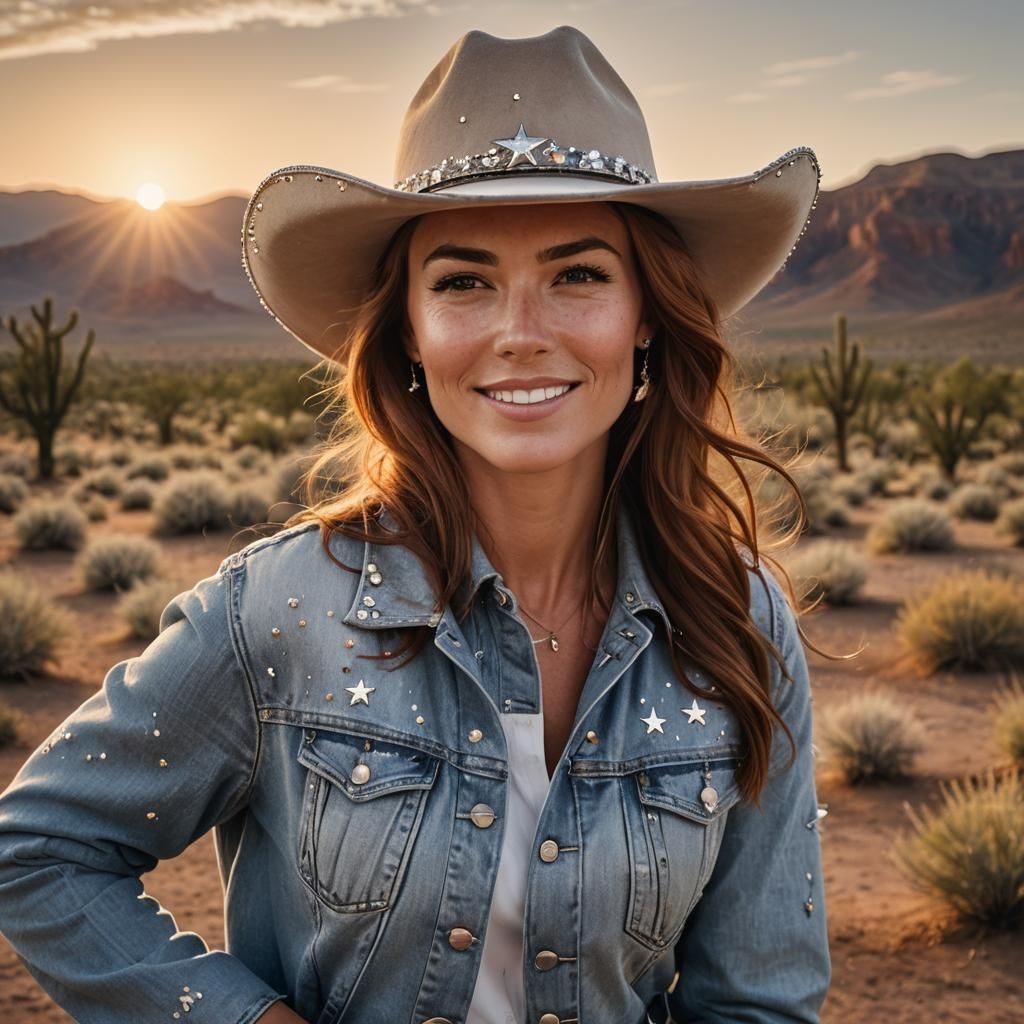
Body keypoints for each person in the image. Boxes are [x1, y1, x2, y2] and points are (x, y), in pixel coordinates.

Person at [0, 24, 831, 1024]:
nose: (522, 333)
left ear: (647, 311)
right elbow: (39, 849)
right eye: (463, 282)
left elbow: (761, 997)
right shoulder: (278, 612)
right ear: (406, 327)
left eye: (577, 274)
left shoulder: (735, 623)